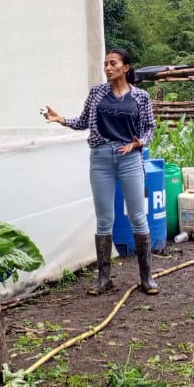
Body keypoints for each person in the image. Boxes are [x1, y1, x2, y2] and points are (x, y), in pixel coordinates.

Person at [42, 49, 158, 295]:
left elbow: (149, 127)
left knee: (138, 216)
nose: (108, 67)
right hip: (101, 158)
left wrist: (141, 142)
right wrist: (61, 119)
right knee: (104, 219)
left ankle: (147, 278)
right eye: (105, 64)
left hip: (130, 158)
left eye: (113, 63)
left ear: (126, 67)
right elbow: (84, 121)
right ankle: (104, 279)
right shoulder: (97, 93)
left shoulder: (141, 96)